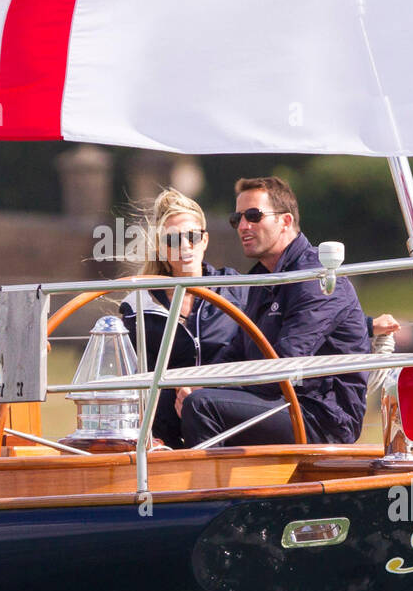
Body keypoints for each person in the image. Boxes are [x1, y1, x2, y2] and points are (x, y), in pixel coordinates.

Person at [177, 176, 398, 446]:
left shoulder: (316, 276)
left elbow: (284, 364)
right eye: (237, 219)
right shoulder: (262, 279)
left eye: (254, 215)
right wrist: (193, 382)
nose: (243, 226)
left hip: (322, 417)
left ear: (285, 221)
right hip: (282, 403)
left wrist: (206, 391)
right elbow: (238, 350)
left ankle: (216, 488)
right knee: (177, 394)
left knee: (203, 405)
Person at [118, 188, 247, 447]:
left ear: (205, 241)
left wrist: (205, 390)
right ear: (161, 248)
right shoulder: (138, 304)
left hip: (224, 423)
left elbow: (254, 355)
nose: (185, 246)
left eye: (192, 237)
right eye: (173, 240)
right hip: (161, 436)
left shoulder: (237, 290)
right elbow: (127, 375)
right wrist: (140, 432)